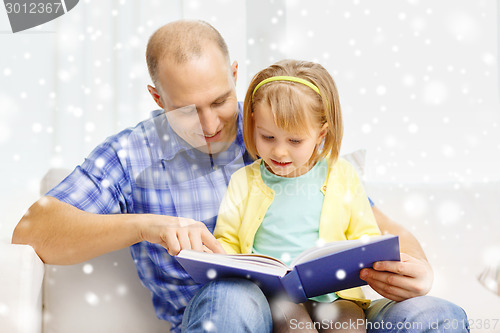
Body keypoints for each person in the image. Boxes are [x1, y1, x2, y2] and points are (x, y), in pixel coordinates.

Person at [11, 20, 468, 332]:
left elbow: (378, 227)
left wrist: (417, 273)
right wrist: (147, 226)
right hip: (229, 316)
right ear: (156, 97)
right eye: (187, 110)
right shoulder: (132, 154)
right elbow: (35, 232)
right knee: (233, 295)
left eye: (221, 101)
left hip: (332, 314)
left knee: (436, 314)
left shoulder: (272, 132)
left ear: (234, 76)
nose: (211, 126)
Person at [213, 59, 381, 332]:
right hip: (276, 296)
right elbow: (227, 240)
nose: (280, 152)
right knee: (295, 327)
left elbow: (366, 236)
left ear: (320, 134)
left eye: (294, 141)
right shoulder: (243, 181)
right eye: (268, 137)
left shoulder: (342, 175)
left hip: (336, 294)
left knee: (349, 328)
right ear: (254, 124)